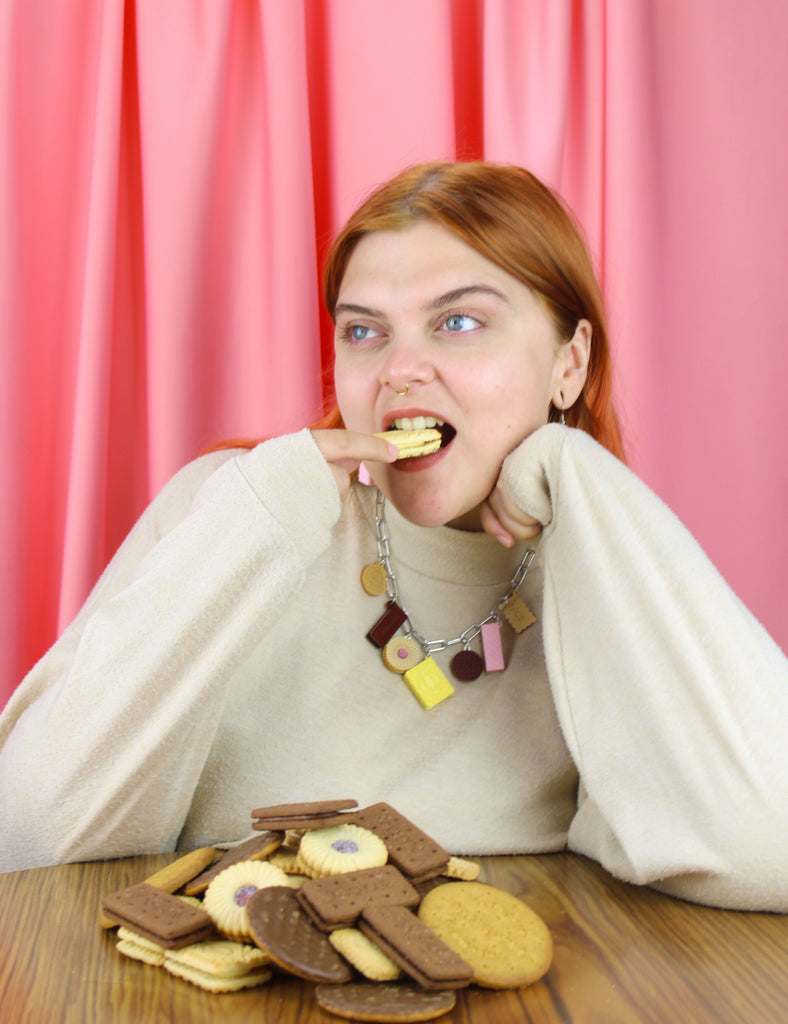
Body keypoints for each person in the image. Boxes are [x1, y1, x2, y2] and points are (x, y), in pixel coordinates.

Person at [1, 162, 786, 912]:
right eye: (365, 333)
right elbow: (28, 834)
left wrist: (579, 476)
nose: (399, 370)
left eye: (459, 322)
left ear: (569, 364)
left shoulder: (592, 572)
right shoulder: (235, 518)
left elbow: (769, 846)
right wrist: (263, 509)